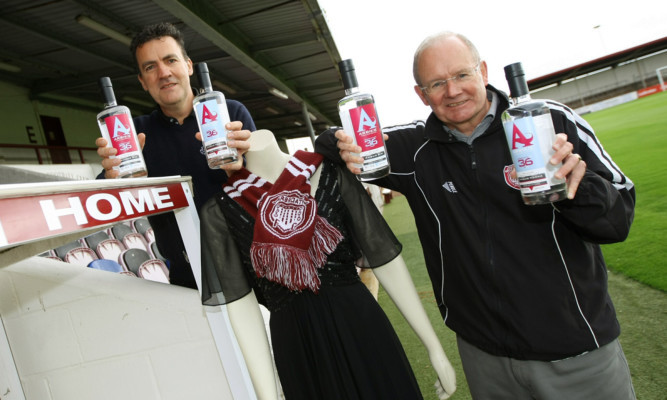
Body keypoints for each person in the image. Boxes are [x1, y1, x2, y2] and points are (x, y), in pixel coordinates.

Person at [315, 31, 636, 399]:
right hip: (485, 357)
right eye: (437, 83)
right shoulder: (414, 149)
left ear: (483, 71)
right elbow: (334, 141)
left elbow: (618, 219)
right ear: (421, 94)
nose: (453, 91)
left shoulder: (548, 121)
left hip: (576, 351)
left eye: (462, 75)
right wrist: (339, 140)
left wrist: (578, 190)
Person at [199, 129, 456, 400]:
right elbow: (241, 306)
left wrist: (434, 347)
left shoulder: (328, 172)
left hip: (361, 326)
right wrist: (268, 395)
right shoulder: (220, 211)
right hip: (299, 346)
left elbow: (383, 256)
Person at [95, 22, 255, 289]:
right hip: (188, 275)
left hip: (251, 261)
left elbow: (268, 185)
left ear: (189, 66)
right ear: (143, 82)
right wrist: (111, 177)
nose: (163, 73)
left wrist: (239, 167)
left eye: (171, 60)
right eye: (150, 67)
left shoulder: (229, 114)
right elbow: (107, 200)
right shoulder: (135, 135)